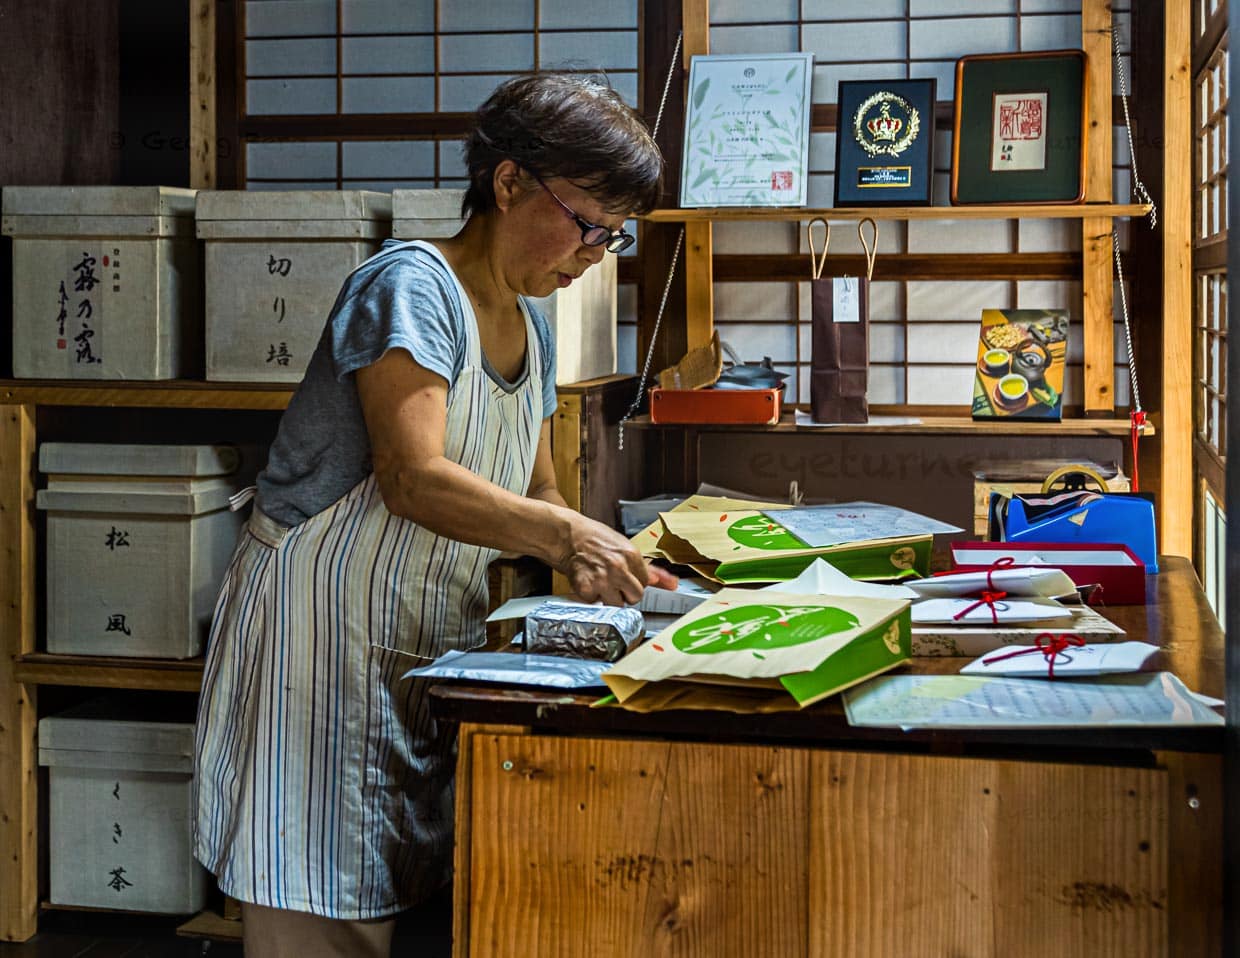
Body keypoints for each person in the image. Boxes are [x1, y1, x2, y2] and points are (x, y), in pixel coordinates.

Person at [192, 72, 674, 957]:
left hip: (420, 637)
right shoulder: (410, 287)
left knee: (391, 887)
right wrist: (568, 538)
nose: (597, 253)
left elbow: (540, 492)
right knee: (319, 901)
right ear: (509, 182)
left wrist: (595, 565)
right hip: (319, 637)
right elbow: (412, 478)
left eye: (616, 233)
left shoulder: (533, 325)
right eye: (589, 223)